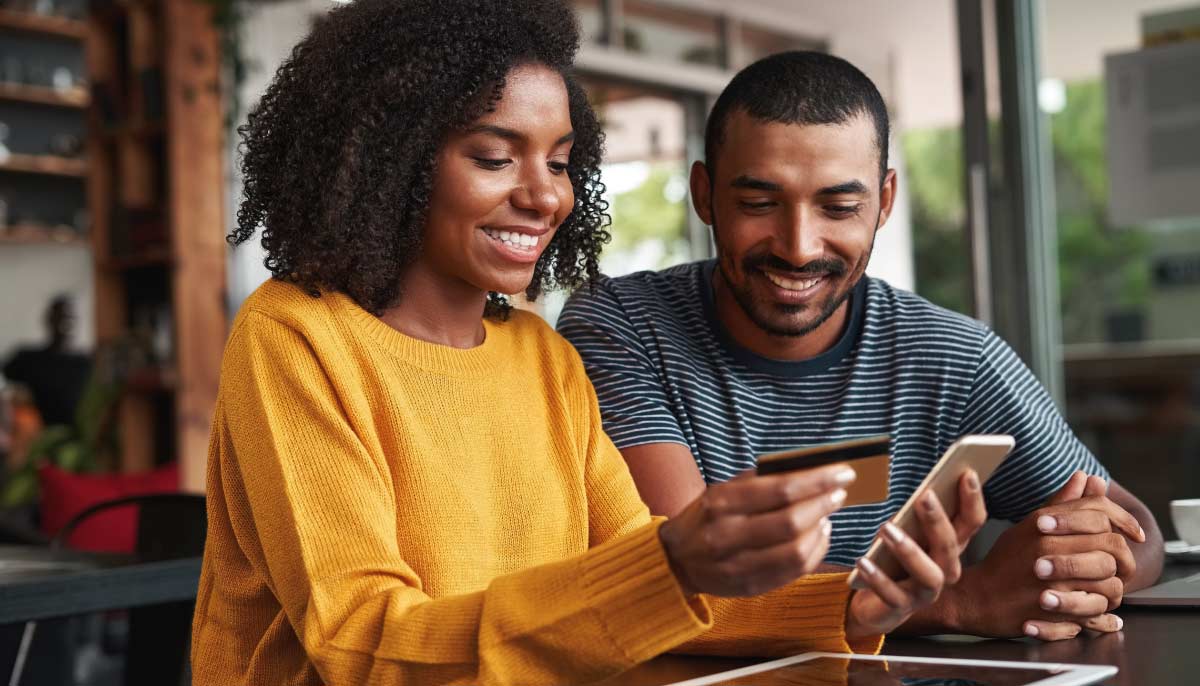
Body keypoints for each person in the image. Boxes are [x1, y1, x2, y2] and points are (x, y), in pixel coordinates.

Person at [190, 4, 985, 685]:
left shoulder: (541, 356)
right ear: (392, 161)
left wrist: (846, 602)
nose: (543, 195)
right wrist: (669, 567)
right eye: (495, 157)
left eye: (562, 163)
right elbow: (360, 644)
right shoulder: (296, 337)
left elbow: (643, 594)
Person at [557, 50, 1165, 643]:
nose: (798, 247)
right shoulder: (621, 326)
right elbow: (685, 580)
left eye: (840, 206)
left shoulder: (952, 356)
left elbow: (1137, 535)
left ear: (885, 202)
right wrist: (965, 602)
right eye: (758, 203)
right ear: (705, 195)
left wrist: (1071, 569)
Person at [2, 295, 91, 427]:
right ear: (49, 319)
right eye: (59, 316)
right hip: (39, 435)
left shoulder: (86, 363)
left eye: (70, 317)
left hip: (78, 435)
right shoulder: (28, 360)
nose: (65, 322)